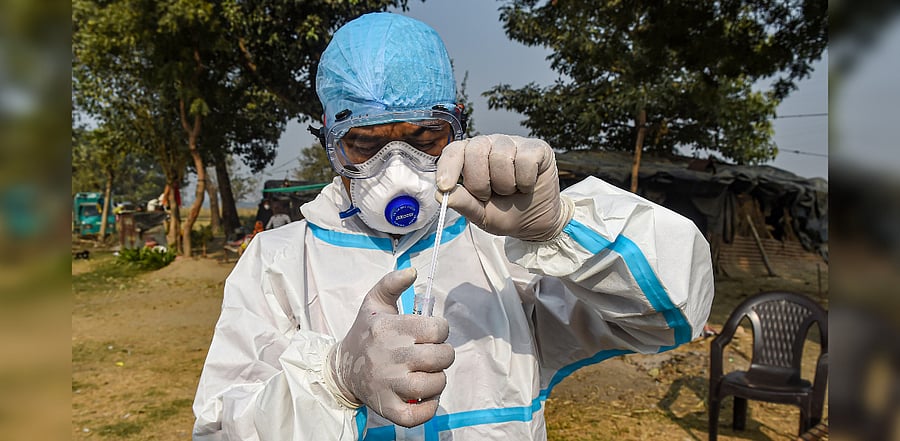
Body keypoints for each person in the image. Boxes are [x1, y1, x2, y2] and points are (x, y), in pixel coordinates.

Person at [192, 12, 714, 441]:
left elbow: (672, 315)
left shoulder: (509, 251)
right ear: (328, 141)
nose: (395, 168)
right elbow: (219, 428)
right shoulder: (279, 262)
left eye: (425, 136)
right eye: (366, 144)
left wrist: (559, 228)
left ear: (458, 127)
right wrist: (335, 378)